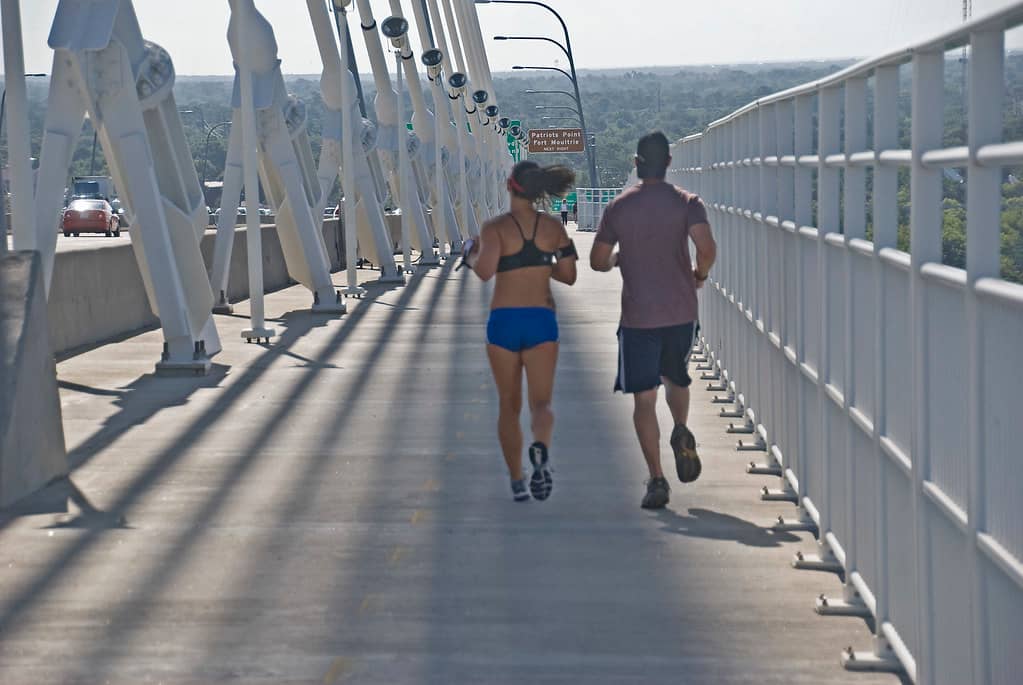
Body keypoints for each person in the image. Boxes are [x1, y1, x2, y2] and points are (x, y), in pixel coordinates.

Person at [589, 131, 717, 510]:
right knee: (677, 377)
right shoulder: (687, 203)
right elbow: (707, 250)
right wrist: (700, 275)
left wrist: (616, 260)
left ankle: (657, 480)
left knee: (644, 400)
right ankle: (680, 427)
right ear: (669, 164)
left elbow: (597, 260)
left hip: (638, 317)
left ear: (636, 164)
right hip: (680, 311)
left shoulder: (619, 208)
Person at [461, 160, 578, 501]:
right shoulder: (553, 228)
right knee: (541, 403)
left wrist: (470, 253)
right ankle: (540, 447)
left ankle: (517, 480)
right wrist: (541, 263)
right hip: (541, 320)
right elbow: (569, 275)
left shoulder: (495, 228)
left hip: (504, 322)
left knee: (508, 406)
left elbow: (484, 272)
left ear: (510, 187)